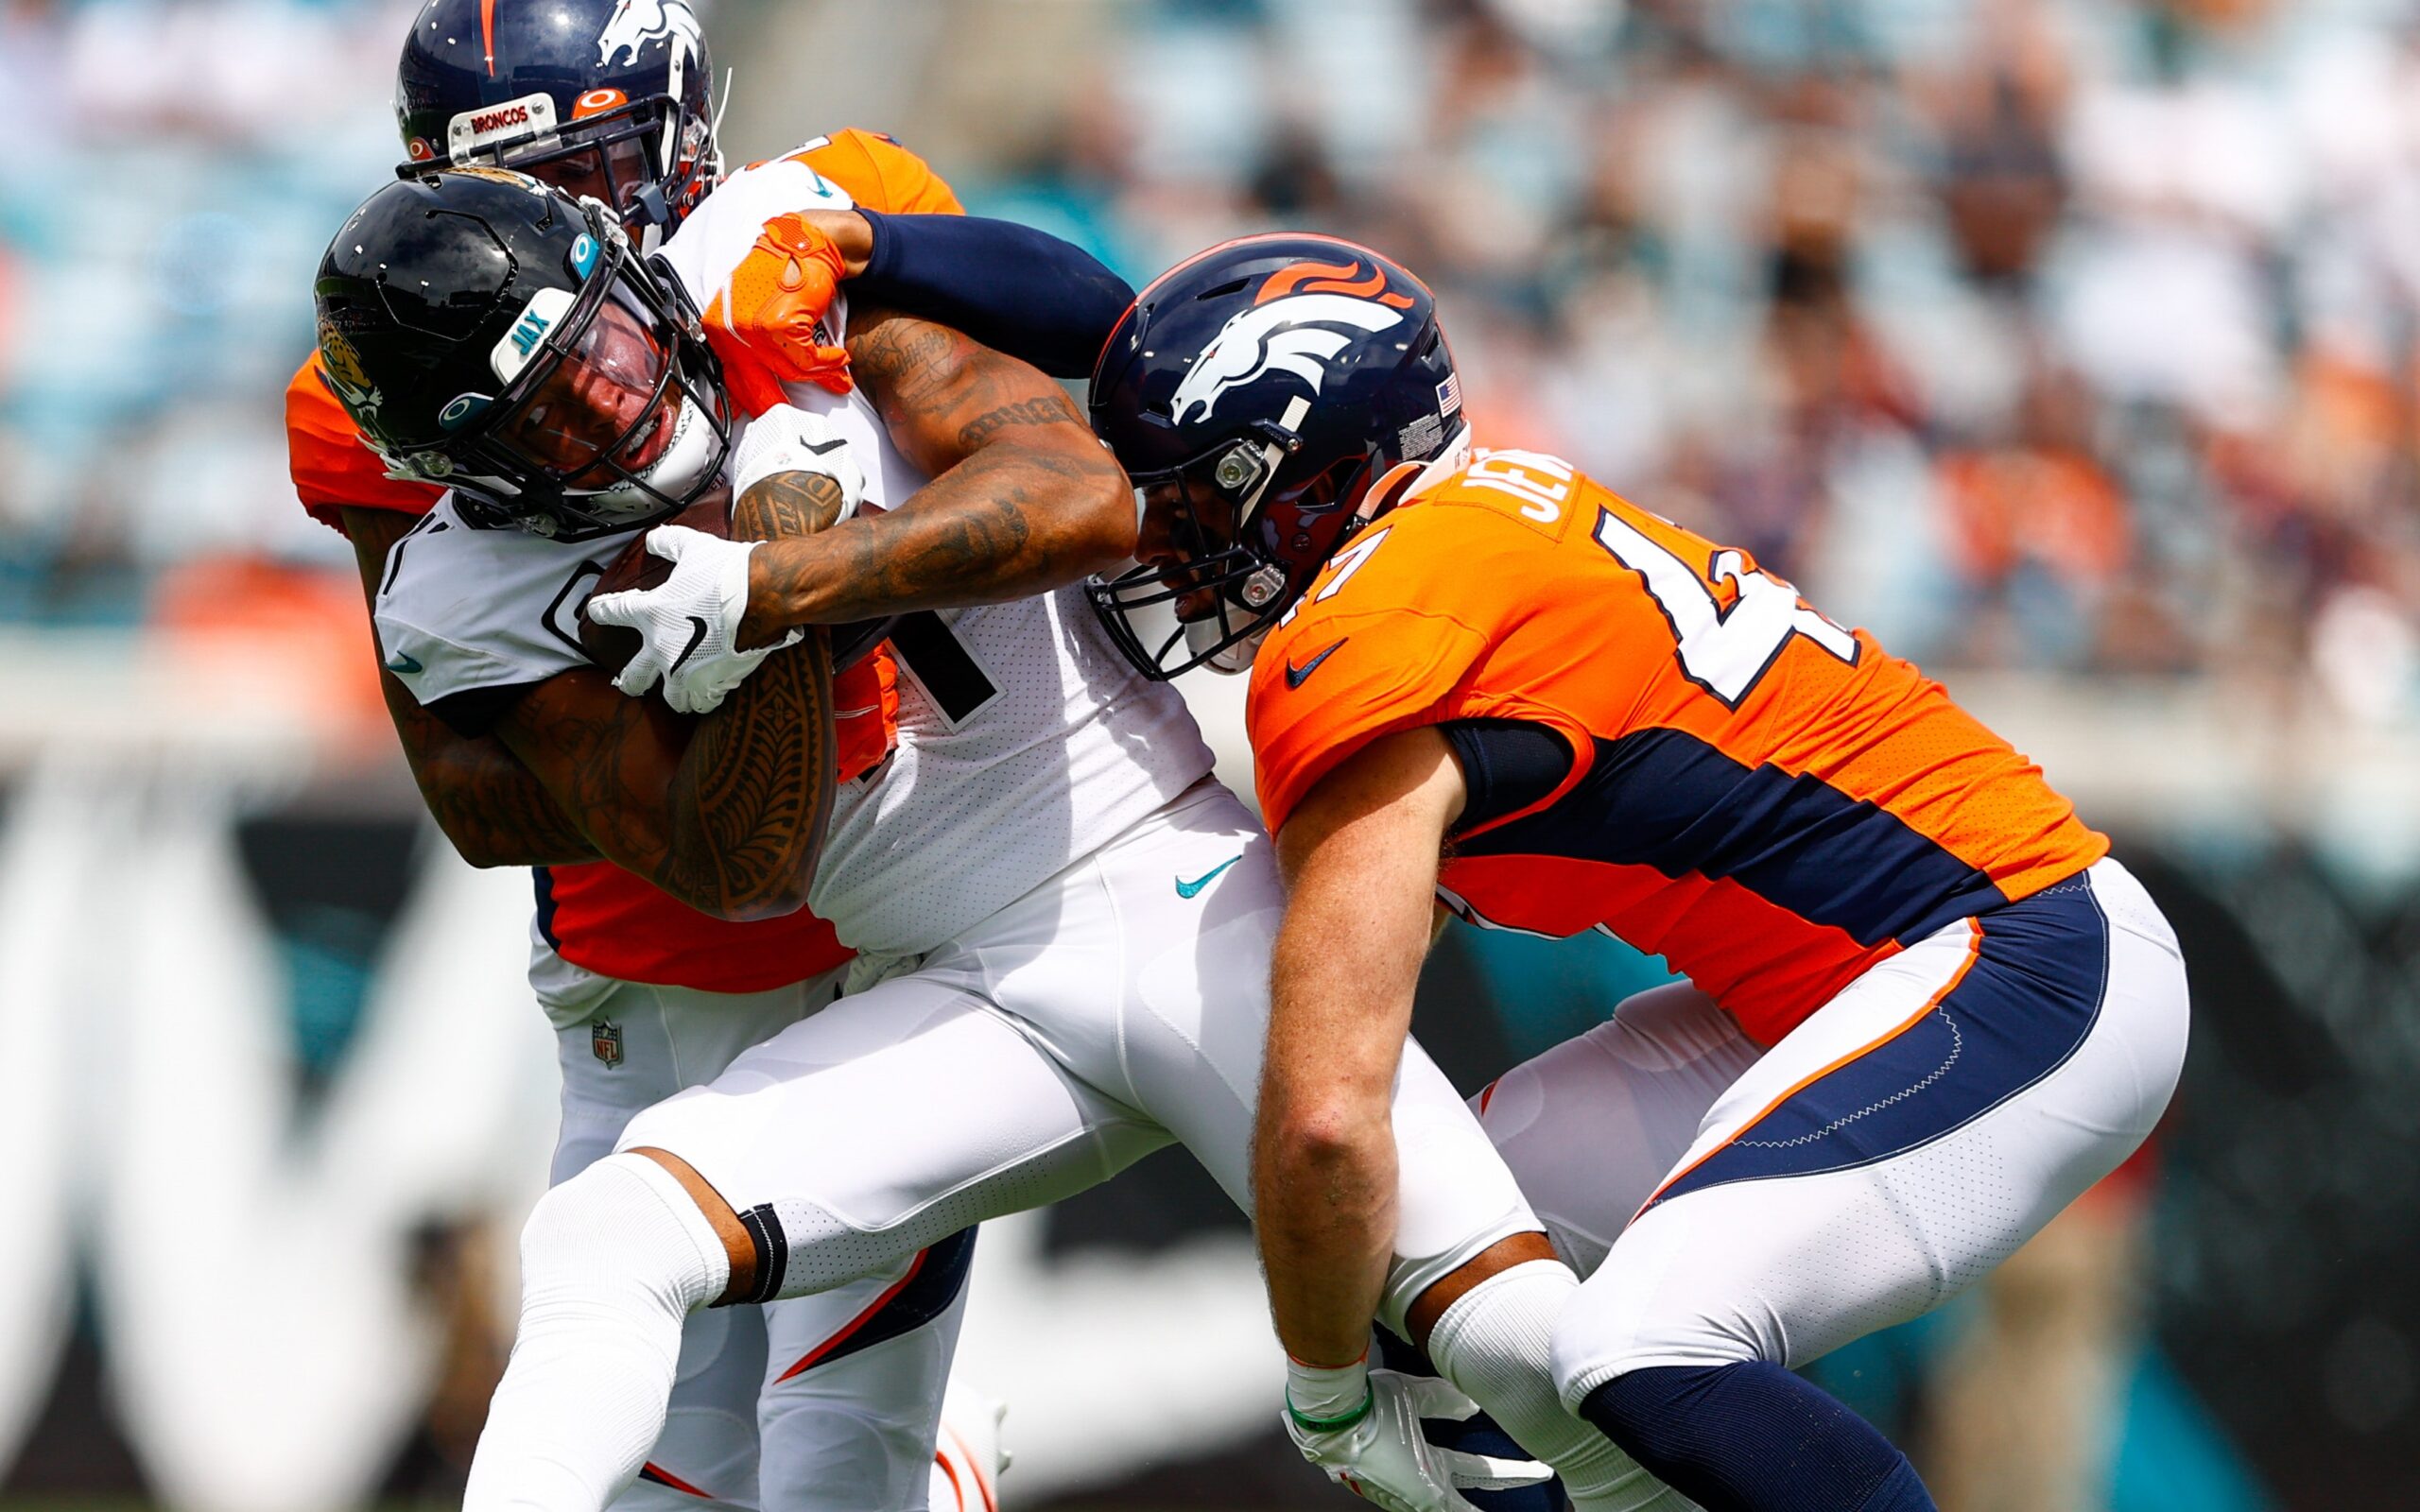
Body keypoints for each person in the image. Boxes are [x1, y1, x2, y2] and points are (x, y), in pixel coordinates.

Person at [319, 160, 1696, 1512]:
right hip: (947, 995)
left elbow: (1087, 498)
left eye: (604, 346)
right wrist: (772, 624)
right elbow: (731, 868)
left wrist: (793, 573)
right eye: (547, 415)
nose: (613, 403)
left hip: (1181, 899)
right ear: (470, 476)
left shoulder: (781, 305)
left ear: (636, 279)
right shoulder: (469, 596)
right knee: (604, 1236)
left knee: (1515, 1343)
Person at [1085, 233, 2190, 1512]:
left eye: (1197, 502)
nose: (1165, 549)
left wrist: (1322, 1388)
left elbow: (1331, 1115)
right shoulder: (1473, 529)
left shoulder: (1369, 636)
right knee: (1447, 1258)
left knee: (1644, 1348)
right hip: (1845, 986)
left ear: (1311, 472)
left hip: (2021, 955)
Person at [291, 3, 1125, 1505]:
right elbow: (475, 793)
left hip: (916, 907)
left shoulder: (792, 222)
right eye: (537, 179)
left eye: (602, 164)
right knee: (656, 1464)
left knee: (826, 1458)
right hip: (650, 955)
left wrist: (875, 250)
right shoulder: (399, 379)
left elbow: (1105, 355)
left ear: (677, 130)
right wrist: (651, 678)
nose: (581, 215)